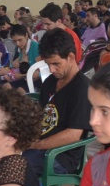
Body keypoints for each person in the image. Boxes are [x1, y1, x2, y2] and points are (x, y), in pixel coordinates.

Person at [23, 29, 92, 177]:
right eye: (48, 64)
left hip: (60, 156)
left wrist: (36, 145)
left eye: (56, 64)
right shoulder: (50, 82)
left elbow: (73, 135)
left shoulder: (82, 88)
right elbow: (40, 116)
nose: (51, 69)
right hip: (40, 146)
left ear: (71, 57)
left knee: (16, 164)